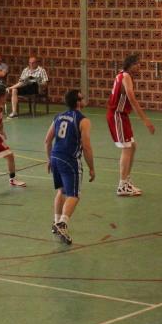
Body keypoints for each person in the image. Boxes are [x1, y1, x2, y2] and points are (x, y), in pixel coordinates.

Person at [43, 89, 96, 244]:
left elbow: (47, 140)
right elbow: (86, 147)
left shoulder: (58, 117)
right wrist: (91, 167)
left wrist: (49, 159)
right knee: (74, 195)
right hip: (70, 160)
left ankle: (56, 222)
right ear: (78, 102)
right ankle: (62, 223)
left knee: (61, 191)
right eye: (82, 97)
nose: (84, 98)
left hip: (55, 156)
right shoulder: (83, 120)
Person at [106, 54, 155, 197]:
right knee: (127, 148)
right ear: (130, 65)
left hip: (122, 115)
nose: (139, 66)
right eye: (137, 64)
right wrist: (146, 120)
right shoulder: (126, 76)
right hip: (117, 115)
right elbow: (132, 99)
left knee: (132, 146)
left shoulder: (121, 74)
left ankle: (126, 181)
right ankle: (122, 185)